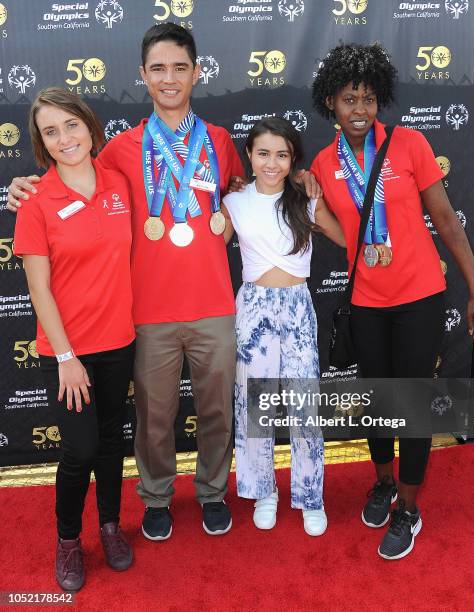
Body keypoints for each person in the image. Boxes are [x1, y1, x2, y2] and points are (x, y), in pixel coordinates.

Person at [7, 24, 321, 542]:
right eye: (158, 69)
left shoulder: (220, 143)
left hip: (217, 307)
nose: (169, 78)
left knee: (218, 410)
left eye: (179, 67)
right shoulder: (122, 150)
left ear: (196, 73)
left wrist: (305, 178)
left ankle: (214, 492)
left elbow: (259, 186)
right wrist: (28, 185)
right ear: (143, 76)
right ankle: (156, 498)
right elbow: (71, 172)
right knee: (155, 415)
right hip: (146, 312)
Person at [311, 43, 474, 559]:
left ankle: (409, 508)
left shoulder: (409, 144)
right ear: (331, 102)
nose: (360, 110)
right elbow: (343, 232)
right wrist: (309, 196)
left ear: (380, 101)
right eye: (349, 99)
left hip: (419, 298)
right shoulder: (325, 163)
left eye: (369, 99)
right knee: (378, 401)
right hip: (366, 301)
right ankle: (385, 482)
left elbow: (449, 221)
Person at [13, 88, 135, 591]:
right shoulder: (36, 199)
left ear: (89, 125)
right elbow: (38, 287)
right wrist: (66, 356)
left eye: (71, 124)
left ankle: (109, 525)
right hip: (67, 352)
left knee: (110, 444)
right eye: (50, 131)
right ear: (41, 142)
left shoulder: (121, 182)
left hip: (119, 343)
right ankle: (68, 539)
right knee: (80, 450)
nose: (64, 137)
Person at [222, 117, 345, 535]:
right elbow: (202, 249)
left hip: (297, 306)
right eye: (263, 153)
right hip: (253, 307)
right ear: (249, 157)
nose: (272, 163)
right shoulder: (234, 201)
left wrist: (325, 187)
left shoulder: (305, 198)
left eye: (282, 154)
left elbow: (348, 237)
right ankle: (264, 491)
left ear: (293, 159)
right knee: (255, 406)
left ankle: (311, 495)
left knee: (304, 405)